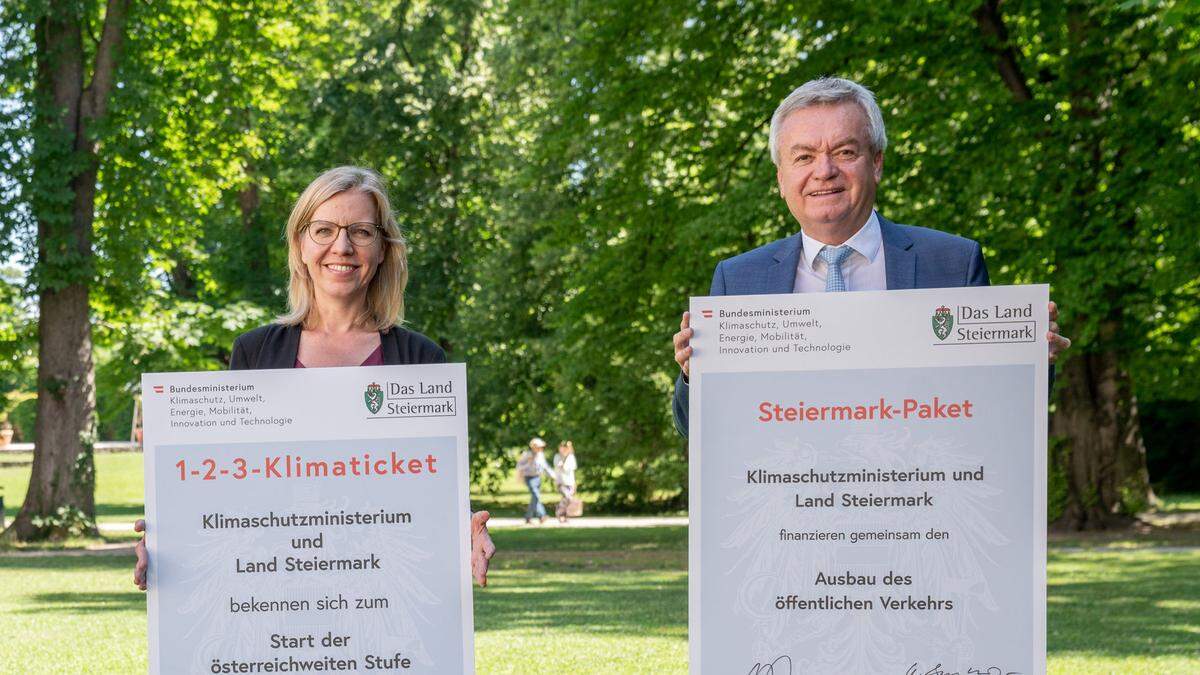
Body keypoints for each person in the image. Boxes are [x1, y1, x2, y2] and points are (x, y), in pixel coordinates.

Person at [134, 166, 496, 589]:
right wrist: (170, 537)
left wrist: (467, 531)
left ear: (382, 249)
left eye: (360, 232)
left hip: (383, 591)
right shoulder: (254, 353)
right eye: (323, 230)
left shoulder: (422, 359)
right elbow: (229, 493)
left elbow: (432, 498)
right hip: (279, 589)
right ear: (301, 245)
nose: (341, 246)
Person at [671, 77, 1071, 435]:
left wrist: (1030, 362)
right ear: (781, 178)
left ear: (876, 163)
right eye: (804, 157)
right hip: (792, 506)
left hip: (916, 504)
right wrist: (694, 377)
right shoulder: (738, 280)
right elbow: (703, 431)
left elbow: (997, 409)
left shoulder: (953, 263)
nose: (824, 171)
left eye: (844, 152)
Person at [517, 437, 551, 524]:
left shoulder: (541, 455)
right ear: (533, 447)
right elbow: (519, 467)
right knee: (536, 495)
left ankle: (528, 517)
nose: (541, 448)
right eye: (538, 446)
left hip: (537, 478)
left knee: (534, 498)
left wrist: (553, 475)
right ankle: (542, 515)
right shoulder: (527, 454)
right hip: (529, 478)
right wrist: (528, 463)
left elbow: (545, 466)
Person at [553, 440, 578, 523]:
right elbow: (561, 467)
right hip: (561, 482)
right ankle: (559, 511)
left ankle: (563, 515)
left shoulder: (571, 457)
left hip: (570, 482)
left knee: (567, 500)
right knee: (567, 497)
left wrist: (574, 483)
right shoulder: (557, 457)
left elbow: (572, 471)